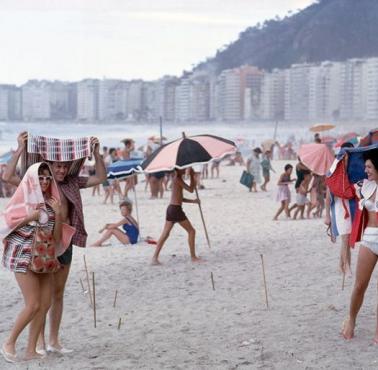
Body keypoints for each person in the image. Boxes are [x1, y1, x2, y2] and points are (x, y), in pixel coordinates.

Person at [2, 131, 106, 354]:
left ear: (69, 167)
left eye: (64, 166)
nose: (60, 170)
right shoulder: (41, 183)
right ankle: (37, 344)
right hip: (42, 243)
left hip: (64, 241)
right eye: (56, 166)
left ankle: (53, 341)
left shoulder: (72, 183)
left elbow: (100, 178)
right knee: (40, 298)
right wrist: (20, 147)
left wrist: (97, 154)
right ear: (48, 165)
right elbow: (8, 176)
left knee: (57, 294)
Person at [1, 163, 62, 362]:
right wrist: (30, 217)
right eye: (41, 178)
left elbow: (56, 237)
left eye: (47, 178)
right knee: (33, 304)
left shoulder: (52, 202)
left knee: (44, 304)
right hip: (22, 256)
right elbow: (6, 226)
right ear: (33, 179)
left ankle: (30, 349)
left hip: (44, 257)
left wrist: (58, 214)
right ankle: (9, 342)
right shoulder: (23, 198)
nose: (44, 181)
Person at [342, 149, 378, 341]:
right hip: (370, 238)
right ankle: (351, 319)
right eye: (365, 166)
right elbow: (340, 188)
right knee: (360, 285)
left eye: (369, 167)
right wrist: (342, 161)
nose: (366, 170)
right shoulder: (364, 186)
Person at [151, 168, 201, 265]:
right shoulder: (177, 179)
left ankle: (154, 258)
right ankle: (193, 257)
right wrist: (191, 176)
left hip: (171, 208)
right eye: (183, 168)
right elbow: (191, 189)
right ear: (178, 169)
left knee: (165, 234)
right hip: (175, 210)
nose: (184, 169)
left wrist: (193, 201)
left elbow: (178, 197)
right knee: (192, 231)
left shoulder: (176, 179)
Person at [324, 142, 355, 274]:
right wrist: (327, 216)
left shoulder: (354, 170)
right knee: (345, 238)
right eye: (347, 154)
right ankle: (346, 266)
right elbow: (328, 196)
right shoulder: (333, 170)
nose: (348, 157)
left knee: (348, 238)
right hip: (339, 207)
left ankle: (342, 265)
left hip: (351, 206)